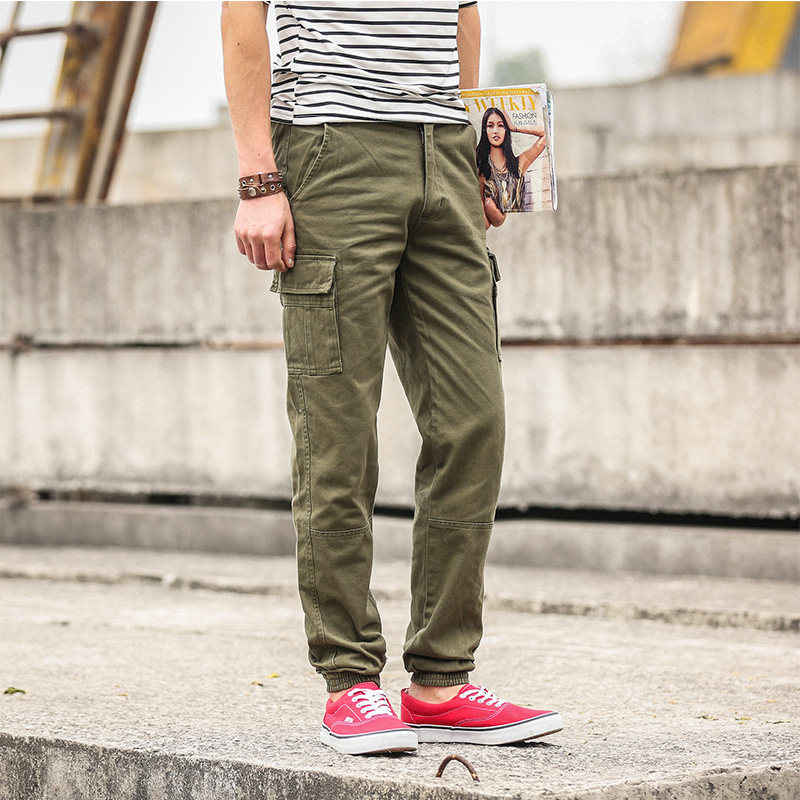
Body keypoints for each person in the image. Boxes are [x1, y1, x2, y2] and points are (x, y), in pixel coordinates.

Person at [220, 0, 562, 756]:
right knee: (338, 429)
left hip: (445, 148)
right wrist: (258, 176)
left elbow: (462, 13)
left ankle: (440, 680)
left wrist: (477, 150)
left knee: (474, 420)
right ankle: (350, 680)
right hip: (332, 147)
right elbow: (242, 13)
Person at [477, 107, 546, 224]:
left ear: (506, 129)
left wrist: (514, 128)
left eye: (501, 125)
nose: (495, 131)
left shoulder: (519, 163)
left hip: (524, 223)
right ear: (485, 130)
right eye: (490, 126)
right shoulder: (482, 167)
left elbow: (546, 135)